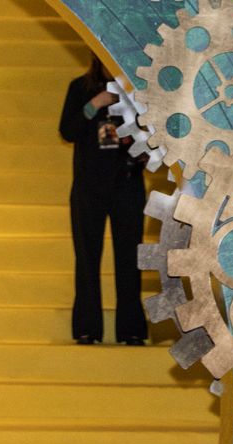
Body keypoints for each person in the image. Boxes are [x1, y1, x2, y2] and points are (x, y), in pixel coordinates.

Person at [59, 54, 147, 346]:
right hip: (89, 185)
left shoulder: (138, 91)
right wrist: (94, 104)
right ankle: (87, 327)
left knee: (129, 259)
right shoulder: (80, 88)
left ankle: (131, 329)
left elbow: (154, 137)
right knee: (86, 257)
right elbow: (67, 130)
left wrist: (134, 139)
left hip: (127, 182)